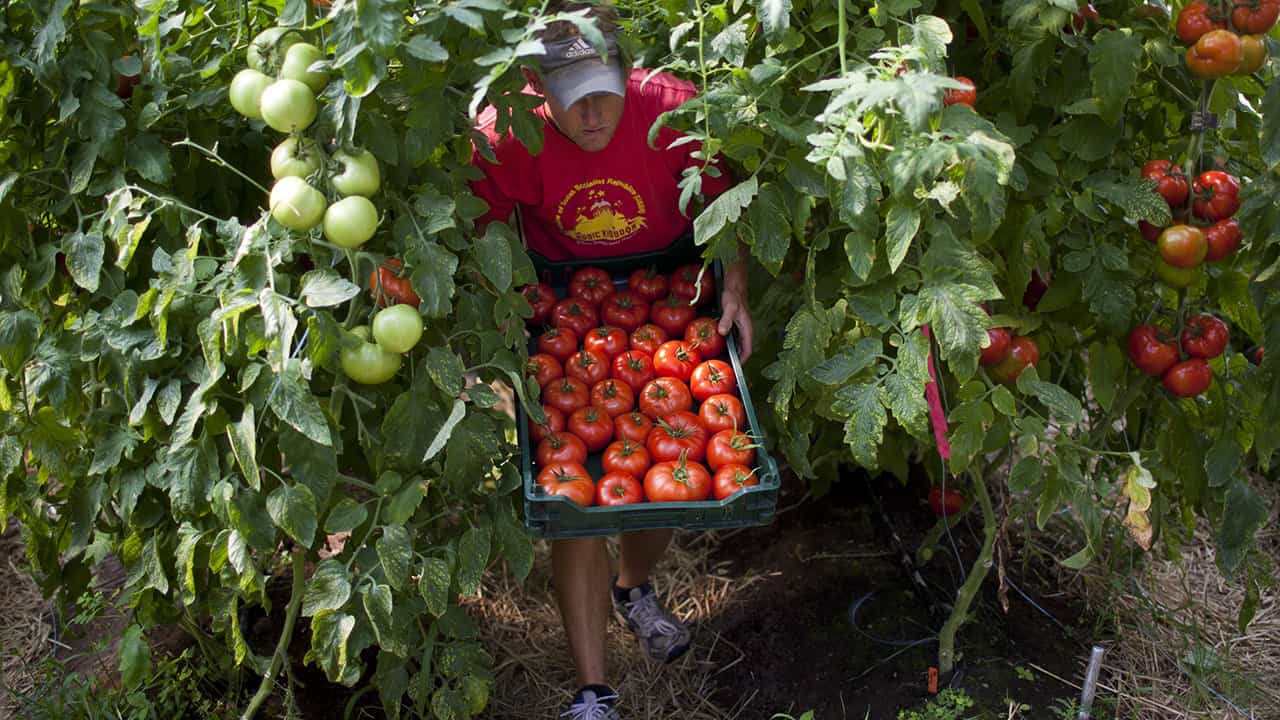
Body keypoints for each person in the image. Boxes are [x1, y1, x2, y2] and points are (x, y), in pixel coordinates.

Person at [468, 3, 754, 718]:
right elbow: (482, 243)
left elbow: (725, 214)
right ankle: (592, 692)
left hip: (668, 302)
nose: (592, 114)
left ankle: (634, 586)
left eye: (604, 92)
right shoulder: (509, 133)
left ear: (630, 72)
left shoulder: (677, 114)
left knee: (659, 485)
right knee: (575, 510)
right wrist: (493, 340)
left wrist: (737, 292)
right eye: (571, 102)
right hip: (562, 305)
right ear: (537, 89)